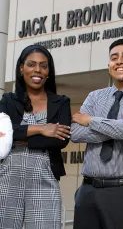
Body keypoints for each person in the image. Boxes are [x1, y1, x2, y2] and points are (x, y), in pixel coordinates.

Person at [71, 38, 123, 229]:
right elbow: (76, 133)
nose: (120, 61)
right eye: (114, 58)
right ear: (109, 66)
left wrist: (91, 121)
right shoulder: (95, 96)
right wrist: (120, 126)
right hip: (87, 191)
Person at [0, 44, 71, 229]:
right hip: (7, 179)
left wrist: (17, 136)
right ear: (22, 67)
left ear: (49, 71)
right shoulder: (8, 100)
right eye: (31, 64)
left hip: (44, 179)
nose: (37, 70)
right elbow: (2, 135)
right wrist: (41, 129)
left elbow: (60, 141)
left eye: (43, 65)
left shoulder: (61, 102)